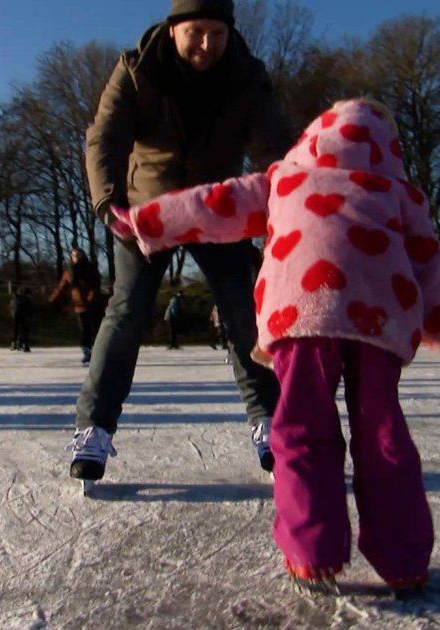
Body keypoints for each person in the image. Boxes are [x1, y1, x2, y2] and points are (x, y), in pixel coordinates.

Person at [115, 98, 440, 595]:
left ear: (315, 137)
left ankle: (312, 552)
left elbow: (213, 204)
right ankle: (403, 559)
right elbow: (429, 269)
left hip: (301, 308)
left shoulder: (284, 176)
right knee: (381, 429)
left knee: (303, 424)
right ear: (386, 147)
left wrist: (146, 220)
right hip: (381, 315)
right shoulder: (401, 192)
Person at [69, 0, 292, 482]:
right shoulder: (135, 68)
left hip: (219, 208)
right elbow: (104, 138)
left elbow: (275, 144)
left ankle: (269, 422)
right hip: (147, 208)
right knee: (128, 310)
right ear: (173, 29)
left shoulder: (247, 77)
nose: (207, 44)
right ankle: (94, 430)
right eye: (196, 32)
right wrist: (109, 203)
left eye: (218, 33)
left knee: (243, 311)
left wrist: (293, 194)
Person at [49, 247, 104, 365]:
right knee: (85, 328)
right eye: (74, 255)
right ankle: (87, 351)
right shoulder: (69, 271)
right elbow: (61, 287)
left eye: (78, 255)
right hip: (79, 303)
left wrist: (92, 295)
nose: (76, 257)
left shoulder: (90, 268)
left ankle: (98, 350)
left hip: (93, 303)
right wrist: (52, 300)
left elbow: (96, 284)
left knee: (95, 327)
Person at [11, 287, 33, 352]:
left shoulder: (15, 299)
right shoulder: (27, 299)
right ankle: (24, 345)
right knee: (24, 331)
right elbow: (30, 309)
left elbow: (12, 308)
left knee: (16, 330)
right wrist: (29, 316)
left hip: (16, 316)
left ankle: (14, 344)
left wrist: (13, 315)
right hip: (23, 317)